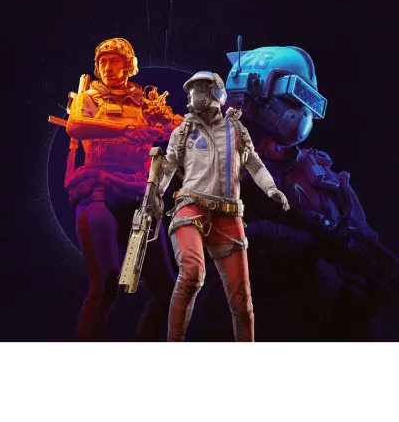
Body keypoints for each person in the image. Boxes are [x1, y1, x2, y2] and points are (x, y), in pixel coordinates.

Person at [186, 45, 399, 345]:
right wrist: (269, 235)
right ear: (254, 91)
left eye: (309, 99)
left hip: (313, 314)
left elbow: (363, 243)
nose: (304, 112)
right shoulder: (214, 157)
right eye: (295, 94)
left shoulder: (320, 173)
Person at [156, 71, 290, 346]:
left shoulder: (236, 130)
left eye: (201, 88)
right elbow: (168, 166)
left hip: (228, 214)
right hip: (190, 207)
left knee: (242, 300)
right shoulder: (183, 131)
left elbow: (254, 163)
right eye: (193, 89)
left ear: (216, 92)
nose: (195, 94)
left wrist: (270, 188)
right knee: (192, 273)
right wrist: (155, 194)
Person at [64, 37, 182, 344]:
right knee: (104, 286)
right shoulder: (89, 97)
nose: (107, 67)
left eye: (114, 60)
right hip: (99, 192)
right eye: (103, 62)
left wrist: (168, 125)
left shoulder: (146, 102)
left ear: (128, 64)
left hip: (139, 197)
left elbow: (179, 129)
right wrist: (125, 129)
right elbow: (76, 125)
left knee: (166, 288)